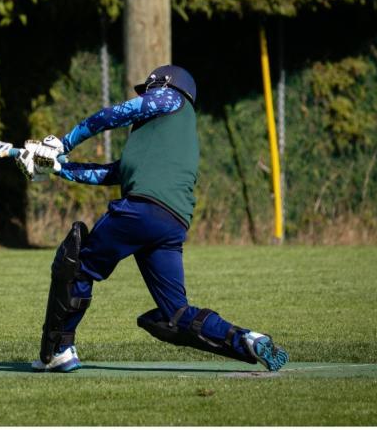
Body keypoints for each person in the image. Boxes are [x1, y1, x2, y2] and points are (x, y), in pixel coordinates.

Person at [15, 65, 288, 373]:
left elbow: (113, 114)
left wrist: (62, 144)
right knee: (176, 314)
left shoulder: (171, 99)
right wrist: (55, 167)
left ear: (166, 85)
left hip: (141, 210)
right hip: (170, 226)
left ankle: (58, 351)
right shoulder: (166, 136)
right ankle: (247, 340)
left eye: (149, 89)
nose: (145, 96)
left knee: (76, 267)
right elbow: (111, 173)